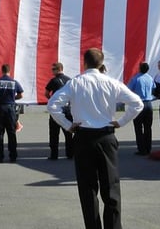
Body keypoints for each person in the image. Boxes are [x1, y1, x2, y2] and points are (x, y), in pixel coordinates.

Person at [47, 48, 143, 229]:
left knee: (87, 188)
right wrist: (121, 121)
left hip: (83, 136)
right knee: (111, 186)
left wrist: (68, 125)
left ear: (84, 63)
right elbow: (136, 103)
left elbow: (53, 105)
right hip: (106, 135)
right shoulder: (111, 82)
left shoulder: (76, 83)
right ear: (101, 63)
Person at [0, 64, 24, 163]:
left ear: (2, 70)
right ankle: (13, 156)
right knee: (11, 133)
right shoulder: (14, 82)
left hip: (0, 108)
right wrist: (13, 98)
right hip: (10, 109)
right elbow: (21, 94)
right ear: (10, 71)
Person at [44, 62, 73, 160]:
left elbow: (46, 93)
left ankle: (54, 154)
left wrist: (52, 99)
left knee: (54, 133)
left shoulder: (54, 80)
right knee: (68, 132)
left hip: (56, 110)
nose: (52, 71)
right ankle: (70, 153)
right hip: (67, 109)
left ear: (58, 69)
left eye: (53, 69)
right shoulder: (69, 80)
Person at [127, 62, 155, 155]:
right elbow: (154, 88)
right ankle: (148, 148)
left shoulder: (136, 78)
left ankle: (141, 149)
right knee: (148, 127)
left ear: (139, 68)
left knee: (138, 127)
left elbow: (129, 90)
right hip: (148, 103)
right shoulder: (150, 78)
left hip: (139, 103)